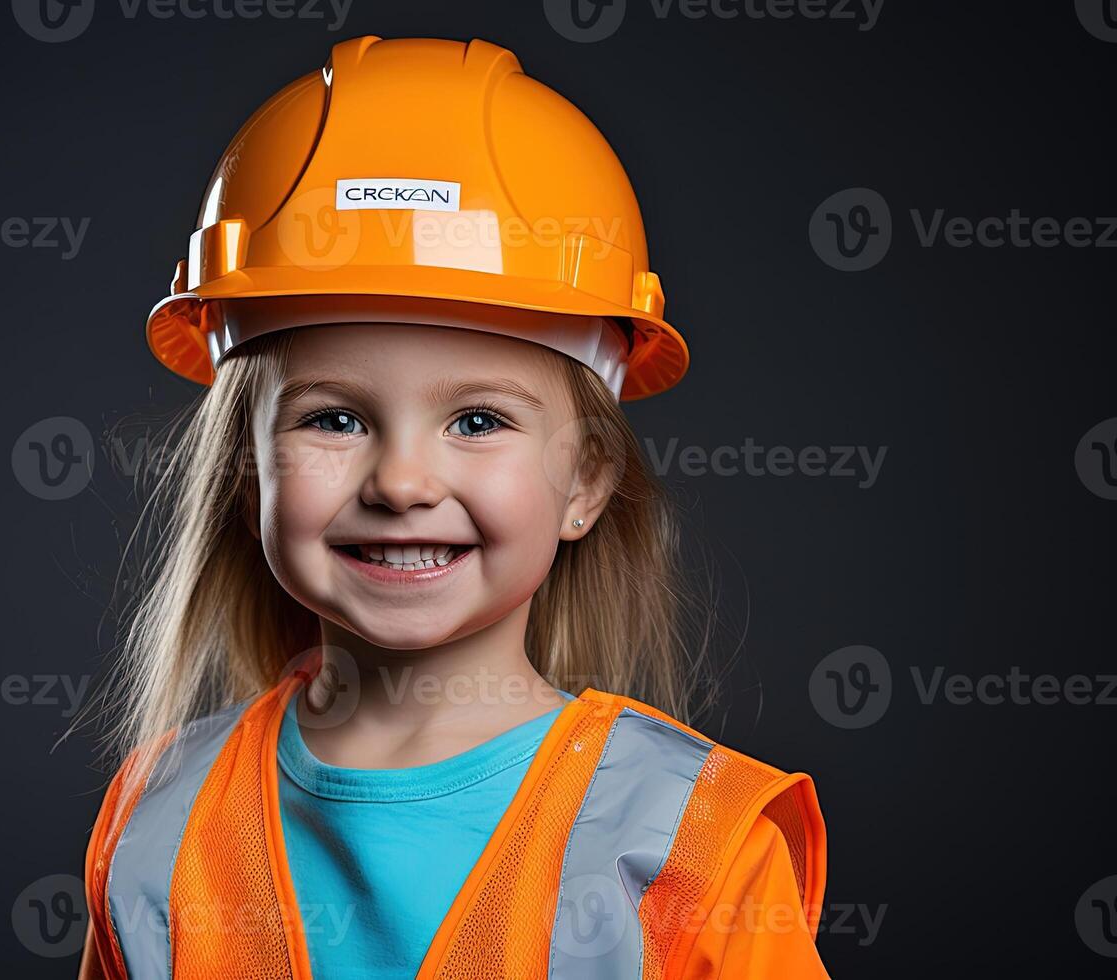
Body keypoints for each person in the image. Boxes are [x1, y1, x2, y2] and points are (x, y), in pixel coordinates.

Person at [78, 34, 830, 980]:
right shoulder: (158, 820)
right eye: (335, 417)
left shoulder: (691, 846)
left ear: (587, 482)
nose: (401, 482)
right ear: (245, 467)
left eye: (477, 420)